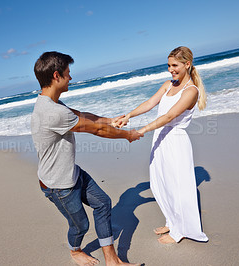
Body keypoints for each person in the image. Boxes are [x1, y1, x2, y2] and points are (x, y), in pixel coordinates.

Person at [31, 51, 142, 266]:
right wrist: (128, 135)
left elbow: (83, 117)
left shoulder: (53, 104)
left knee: (103, 203)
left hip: (72, 173)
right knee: (80, 226)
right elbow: (96, 131)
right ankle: (75, 251)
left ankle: (112, 261)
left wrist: (110, 120)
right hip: (58, 185)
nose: (70, 78)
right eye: (67, 74)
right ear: (56, 76)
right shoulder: (52, 112)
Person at [115, 46, 208, 244]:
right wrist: (129, 115)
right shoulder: (168, 84)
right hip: (161, 139)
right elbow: (150, 103)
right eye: (168, 65)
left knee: (179, 186)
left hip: (175, 141)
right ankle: (172, 221)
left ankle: (181, 231)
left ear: (187, 64)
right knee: (161, 183)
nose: (171, 69)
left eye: (175, 65)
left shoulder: (191, 90)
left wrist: (142, 130)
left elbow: (170, 116)